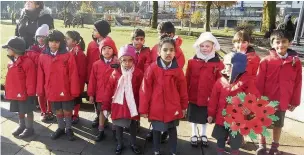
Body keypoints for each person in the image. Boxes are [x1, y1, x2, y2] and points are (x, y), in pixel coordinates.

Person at [255, 30, 302, 155]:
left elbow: (298, 83)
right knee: (262, 122)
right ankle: (262, 144)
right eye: (278, 42)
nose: (281, 45)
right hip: (266, 101)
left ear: (290, 43)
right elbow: (259, 82)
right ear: (272, 44)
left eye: (284, 42)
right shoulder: (266, 61)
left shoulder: (295, 62)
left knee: (278, 124)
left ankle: (275, 146)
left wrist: (295, 101)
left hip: (283, 100)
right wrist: (257, 100)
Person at [140, 37, 188, 155]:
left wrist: (183, 106)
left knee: (172, 129)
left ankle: (173, 151)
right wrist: (144, 109)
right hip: (156, 107)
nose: (168, 53)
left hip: (173, 106)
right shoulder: (152, 68)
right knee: (156, 129)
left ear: (175, 52)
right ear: (158, 51)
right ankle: (156, 150)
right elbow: (145, 90)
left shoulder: (178, 70)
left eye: (171, 50)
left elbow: (183, 90)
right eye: (165, 50)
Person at [208, 52, 260, 155]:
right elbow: (213, 99)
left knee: (235, 140)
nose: (225, 67)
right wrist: (210, 114)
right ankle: (220, 152)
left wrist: (249, 109)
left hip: (237, 119)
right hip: (221, 117)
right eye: (225, 64)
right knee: (220, 137)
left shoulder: (247, 82)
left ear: (237, 66)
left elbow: (254, 97)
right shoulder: (220, 81)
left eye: (228, 65)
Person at [36, 30, 80, 141]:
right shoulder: (42, 57)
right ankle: (61, 127)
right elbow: (40, 75)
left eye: (57, 41)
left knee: (67, 110)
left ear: (61, 43)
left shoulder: (68, 56)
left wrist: (74, 90)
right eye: (51, 41)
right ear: (47, 42)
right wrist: (40, 90)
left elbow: (73, 74)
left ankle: (68, 128)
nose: (53, 44)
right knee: (58, 110)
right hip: (52, 89)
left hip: (66, 89)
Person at [103, 45, 143, 155]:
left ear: (134, 60)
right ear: (120, 60)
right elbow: (108, 91)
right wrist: (105, 106)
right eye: (124, 60)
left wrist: (143, 106)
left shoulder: (138, 73)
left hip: (132, 105)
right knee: (119, 126)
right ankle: (120, 143)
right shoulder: (115, 74)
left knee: (133, 125)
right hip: (118, 105)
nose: (127, 63)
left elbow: (142, 91)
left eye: (130, 60)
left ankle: (133, 143)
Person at [186, 32, 223, 147]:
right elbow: (187, 77)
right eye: (202, 46)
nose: (204, 48)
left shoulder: (217, 63)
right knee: (194, 115)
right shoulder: (192, 61)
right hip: (194, 94)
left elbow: (220, 81)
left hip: (209, 95)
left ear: (213, 46)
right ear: (198, 46)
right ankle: (193, 132)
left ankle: (203, 133)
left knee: (205, 116)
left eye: (207, 46)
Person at [3, 37, 37, 138]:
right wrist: (8, 91)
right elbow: (9, 79)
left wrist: (31, 93)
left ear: (15, 49)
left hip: (25, 93)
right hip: (15, 92)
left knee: (27, 110)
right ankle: (21, 126)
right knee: (19, 110)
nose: (7, 50)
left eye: (8, 48)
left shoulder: (27, 63)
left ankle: (29, 128)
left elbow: (31, 79)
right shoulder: (11, 63)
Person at [87, 37, 118, 142]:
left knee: (114, 113)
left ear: (114, 50)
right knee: (101, 113)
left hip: (114, 95)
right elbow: (92, 80)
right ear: (100, 50)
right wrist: (91, 94)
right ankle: (101, 131)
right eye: (104, 48)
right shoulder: (96, 64)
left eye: (109, 48)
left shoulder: (117, 64)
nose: (107, 51)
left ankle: (115, 131)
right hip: (101, 95)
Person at [87, 20, 116, 128]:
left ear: (101, 30)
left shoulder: (109, 43)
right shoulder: (92, 43)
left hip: (105, 76)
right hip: (93, 73)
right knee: (95, 99)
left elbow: (114, 55)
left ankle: (105, 118)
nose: (93, 31)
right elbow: (88, 59)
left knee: (104, 99)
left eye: (95, 29)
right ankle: (98, 115)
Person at [26, 24, 54, 122]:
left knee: (48, 92)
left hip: (48, 74)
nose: (41, 39)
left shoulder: (50, 48)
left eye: (43, 37)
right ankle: (43, 111)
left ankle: (50, 110)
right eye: (39, 37)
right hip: (37, 75)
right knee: (40, 93)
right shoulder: (32, 48)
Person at [65, 31, 87, 124]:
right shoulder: (68, 50)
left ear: (74, 42)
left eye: (67, 39)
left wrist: (78, 82)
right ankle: (70, 114)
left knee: (76, 99)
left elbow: (81, 70)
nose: (65, 40)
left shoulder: (79, 53)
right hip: (69, 80)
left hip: (77, 81)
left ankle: (76, 114)